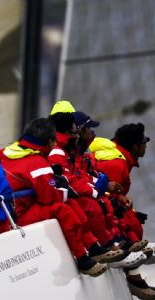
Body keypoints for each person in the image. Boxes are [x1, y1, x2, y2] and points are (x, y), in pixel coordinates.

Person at [0, 118, 106, 276]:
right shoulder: (36, 162)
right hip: (19, 216)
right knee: (63, 209)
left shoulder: (7, 152)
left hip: (11, 211)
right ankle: (82, 258)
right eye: (54, 140)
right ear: (48, 141)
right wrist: (63, 187)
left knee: (69, 205)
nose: (55, 145)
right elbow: (49, 197)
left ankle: (92, 246)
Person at [90, 123, 155, 300]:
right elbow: (105, 197)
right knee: (131, 222)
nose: (146, 145)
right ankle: (133, 274)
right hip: (97, 213)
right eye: (144, 142)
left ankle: (135, 262)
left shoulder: (120, 157)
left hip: (103, 206)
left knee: (132, 218)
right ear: (135, 146)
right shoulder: (116, 162)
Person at [47, 103, 123, 263]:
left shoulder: (71, 151)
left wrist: (96, 186)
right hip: (53, 199)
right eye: (75, 131)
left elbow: (78, 175)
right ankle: (100, 248)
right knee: (87, 207)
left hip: (64, 194)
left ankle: (111, 243)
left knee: (104, 203)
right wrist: (94, 190)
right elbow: (66, 180)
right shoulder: (59, 152)